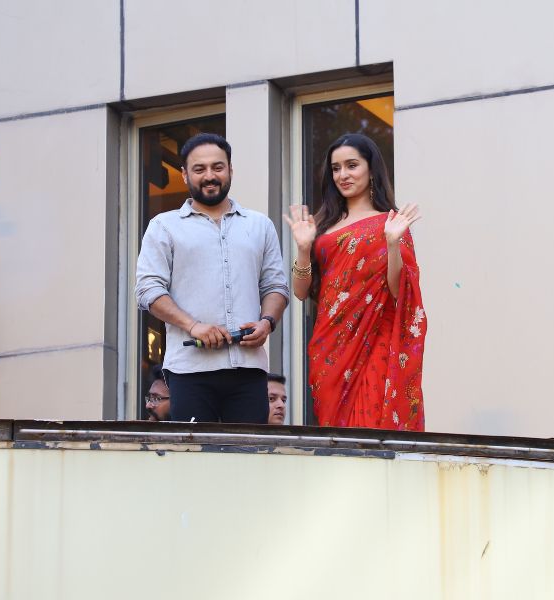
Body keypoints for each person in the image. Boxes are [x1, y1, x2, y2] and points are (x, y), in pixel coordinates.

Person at [135, 133, 289, 424]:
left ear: (230, 170)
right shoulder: (163, 226)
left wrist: (267, 322)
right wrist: (193, 326)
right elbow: (147, 290)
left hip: (249, 368)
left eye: (218, 167)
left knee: (249, 450)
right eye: (199, 169)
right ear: (184, 174)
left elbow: (275, 286)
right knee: (195, 451)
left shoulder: (260, 225)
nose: (209, 176)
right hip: (188, 371)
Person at [284, 133, 426, 431]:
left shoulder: (389, 224)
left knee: (370, 427)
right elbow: (300, 292)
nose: (343, 175)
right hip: (330, 345)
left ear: (371, 169)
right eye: (336, 168)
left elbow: (399, 291)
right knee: (337, 435)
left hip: (375, 340)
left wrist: (392, 244)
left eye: (352, 165)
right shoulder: (322, 225)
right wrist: (304, 248)